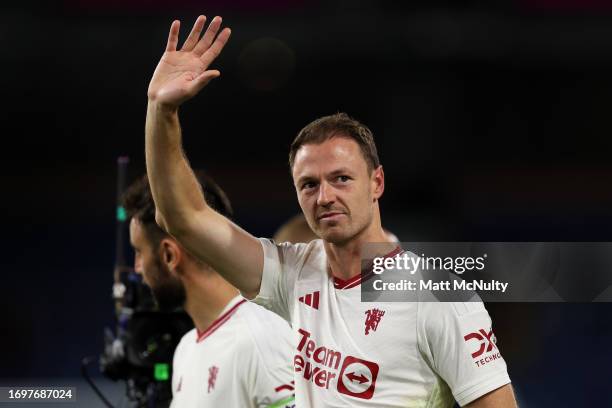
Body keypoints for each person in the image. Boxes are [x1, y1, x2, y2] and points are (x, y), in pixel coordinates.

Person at [144, 15, 517, 407]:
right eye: (309, 184)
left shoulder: (438, 299)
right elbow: (182, 217)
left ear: (377, 183)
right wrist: (161, 111)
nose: (324, 197)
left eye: (341, 179)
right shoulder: (293, 275)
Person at [122, 172, 296, 408]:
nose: (137, 268)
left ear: (169, 255)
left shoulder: (262, 339)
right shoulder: (186, 350)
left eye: (139, 252)